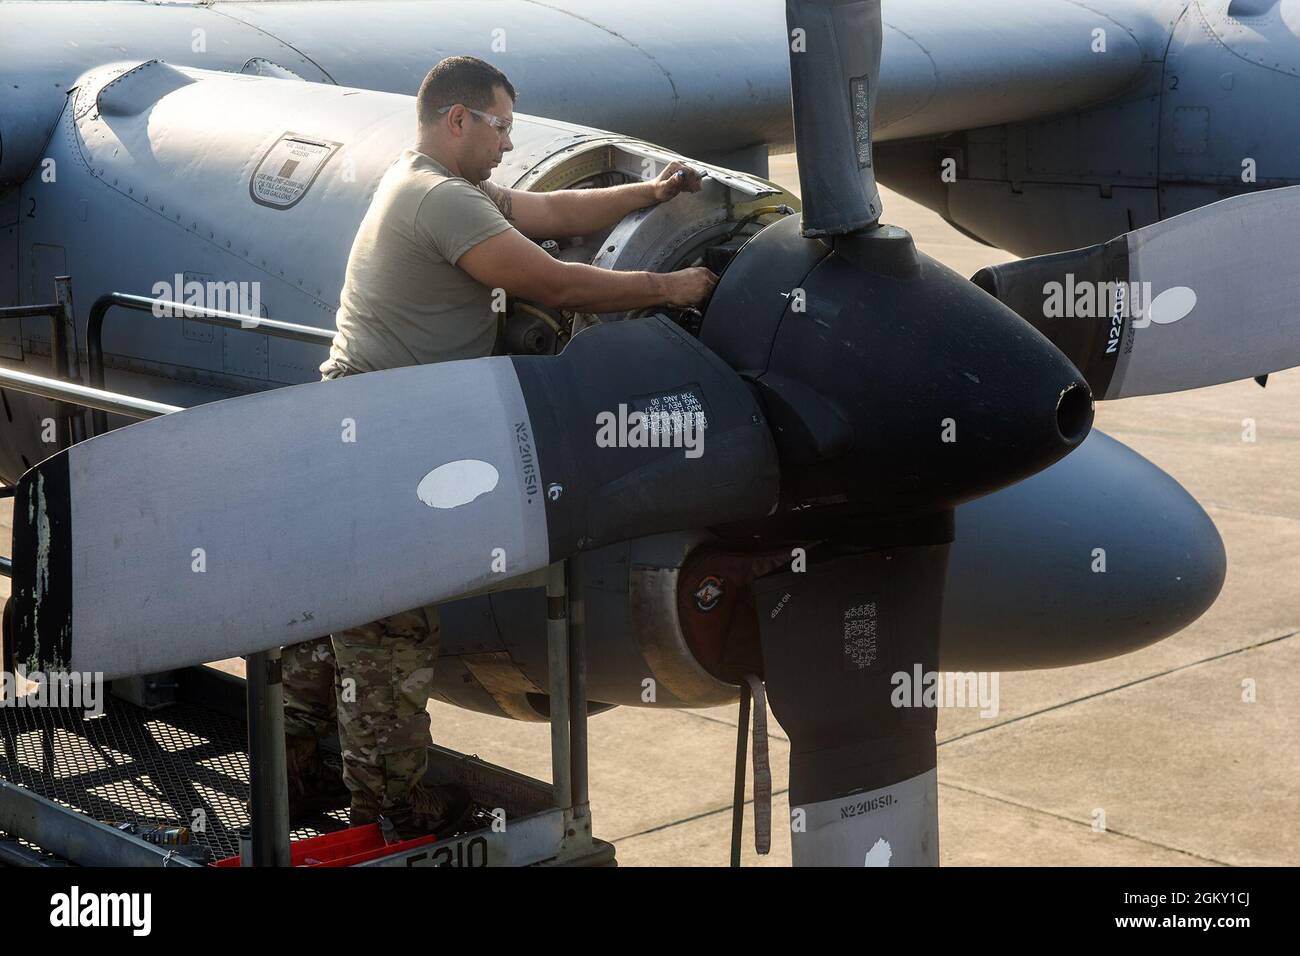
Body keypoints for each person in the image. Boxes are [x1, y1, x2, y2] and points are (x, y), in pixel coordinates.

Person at [282, 55, 718, 837]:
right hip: (386, 435)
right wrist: (670, 289)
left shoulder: (439, 187)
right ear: (459, 120)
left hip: (360, 424)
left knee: (334, 616)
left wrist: (650, 195)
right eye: (501, 125)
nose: (509, 142)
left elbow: (547, 212)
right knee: (390, 626)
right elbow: (555, 284)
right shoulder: (439, 200)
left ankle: (297, 766)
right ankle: (387, 810)